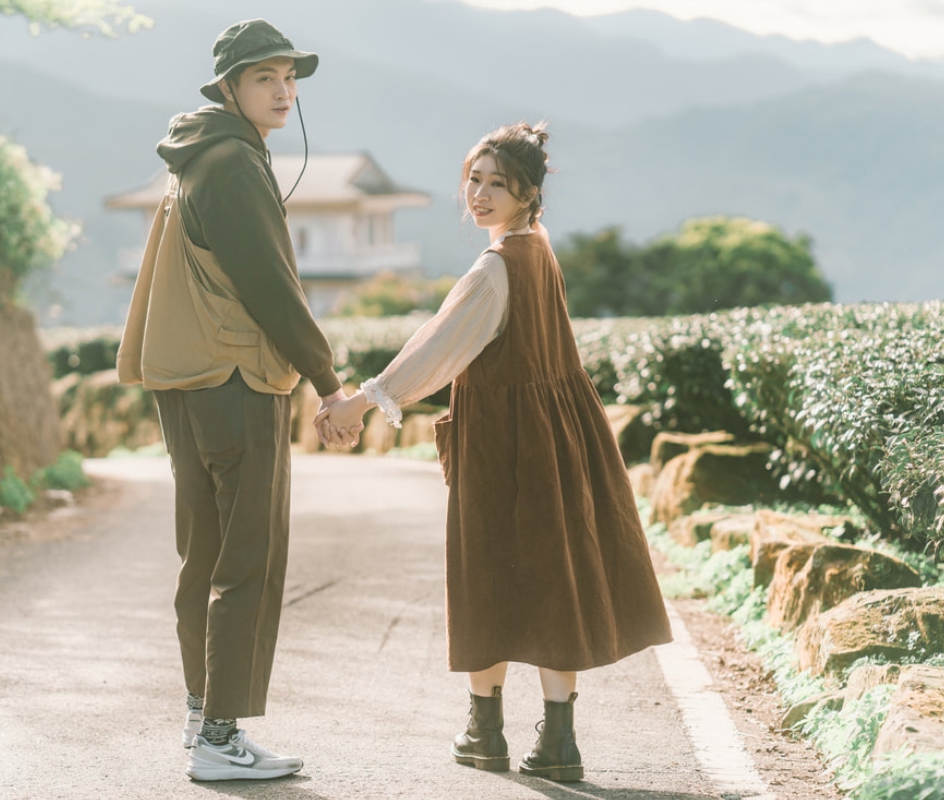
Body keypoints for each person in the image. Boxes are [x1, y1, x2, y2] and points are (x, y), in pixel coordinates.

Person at [317, 122, 674, 782]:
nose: (479, 195)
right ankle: (558, 742)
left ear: (528, 194)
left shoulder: (496, 267)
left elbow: (435, 349)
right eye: (473, 181)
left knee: (487, 575)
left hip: (506, 439)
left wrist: (357, 405)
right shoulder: (539, 249)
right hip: (560, 431)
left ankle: (485, 733)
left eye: (497, 185)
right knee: (552, 573)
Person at [116, 18, 351, 782]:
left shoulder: (194, 159)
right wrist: (328, 378)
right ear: (229, 88)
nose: (283, 92)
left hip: (185, 383)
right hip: (237, 378)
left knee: (205, 555)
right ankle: (221, 737)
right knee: (248, 556)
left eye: (289, 79)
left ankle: (199, 717)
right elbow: (273, 291)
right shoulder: (237, 167)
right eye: (265, 79)